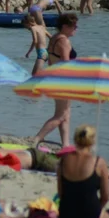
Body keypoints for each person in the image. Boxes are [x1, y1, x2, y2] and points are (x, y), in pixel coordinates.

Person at [57, 125, 109, 218]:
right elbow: (105, 196)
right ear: (92, 142)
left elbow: (61, 193)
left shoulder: (63, 160)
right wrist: (98, 210)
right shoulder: (98, 162)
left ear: (75, 139)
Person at [34, 13, 79, 147]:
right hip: (63, 81)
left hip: (55, 79)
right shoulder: (64, 41)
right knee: (60, 116)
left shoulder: (54, 38)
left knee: (65, 115)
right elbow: (65, 64)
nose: (76, 28)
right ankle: (36, 139)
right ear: (65, 26)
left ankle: (65, 145)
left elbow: (52, 61)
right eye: (74, 26)